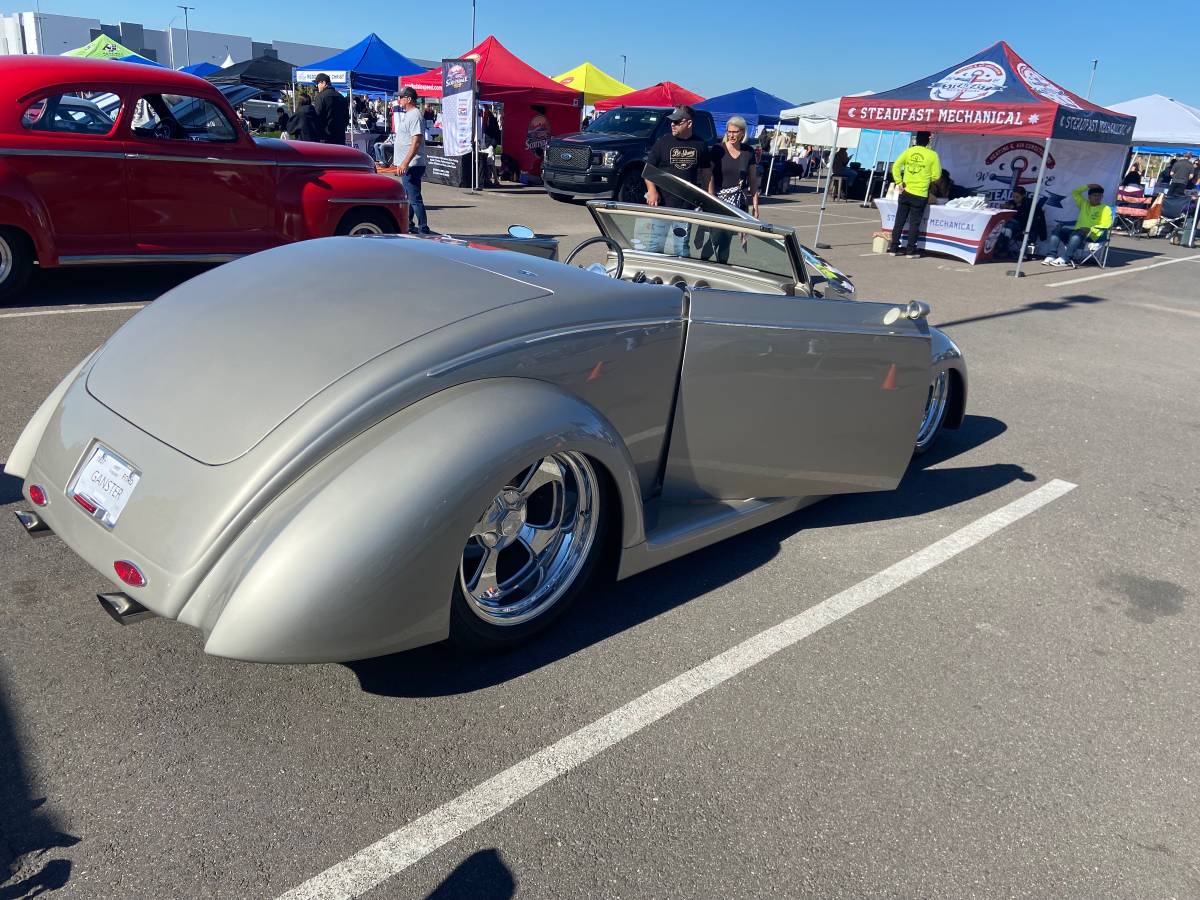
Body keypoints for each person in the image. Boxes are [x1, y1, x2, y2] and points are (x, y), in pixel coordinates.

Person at [640, 105, 713, 256]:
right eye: (672, 121)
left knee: (681, 246)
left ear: (689, 123)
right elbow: (648, 170)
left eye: (677, 121)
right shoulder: (663, 142)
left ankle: (681, 279)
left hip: (685, 207)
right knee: (654, 245)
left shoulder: (700, 144)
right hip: (662, 206)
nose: (672, 124)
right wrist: (652, 191)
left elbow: (707, 173)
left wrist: (707, 198)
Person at [887, 131, 942, 258]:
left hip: (905, 191)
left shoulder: (908, 152)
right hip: (920, 193)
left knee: (899, 220)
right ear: (928, 141)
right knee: (914, 223)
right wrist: (926, 178)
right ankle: (910, 251)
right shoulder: (932, 155)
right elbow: (937, 175)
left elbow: (895, 166)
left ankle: (893, 248)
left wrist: (899, 182)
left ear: (916, 140)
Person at [1043, 184, 1113, 266]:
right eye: (1095, 195)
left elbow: (1107, 224)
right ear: (1089, 197)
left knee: (1077, 234)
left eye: (1100, 196)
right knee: (1058, 230)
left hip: (1092, 235)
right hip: (1078, 232)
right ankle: (1051, 256)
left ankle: (1065, 258)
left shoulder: (1106, 208)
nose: (1097, 197)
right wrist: (1088, 186)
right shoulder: (1084, 204)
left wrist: (1091, 229)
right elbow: (1075, 193)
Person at [394, 86, 430, 234]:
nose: (399, 100)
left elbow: (416, 140)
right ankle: (408, 224)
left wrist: (405, 162)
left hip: (412, 164)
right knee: (410, 196)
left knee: (414, 198)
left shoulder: (414, 115)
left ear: (408, 99)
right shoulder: (409, 114)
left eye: (401, 97)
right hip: (409, 163)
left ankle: (423, 229)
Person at [708, 115, 760, 217]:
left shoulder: (748, 152)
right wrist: (711, 199)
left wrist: (755, 207)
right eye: (729, 131)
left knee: (739, 232)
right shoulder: (718, 149)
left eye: (735, 132)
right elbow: (709, 176)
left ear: (742, 132)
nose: (731, 135)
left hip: (740, 204)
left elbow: (753, 180)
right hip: (719, 202)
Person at [995, 186, 1046, 258]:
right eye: (1013, 196)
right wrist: (1005, 207)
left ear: (1023, 196)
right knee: (1002, 227)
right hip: (1011, 226)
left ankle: (1003, 250)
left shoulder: (1030, 204)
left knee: (1008, 227)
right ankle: (998, 248)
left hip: (1024, 227)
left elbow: (1034, 219)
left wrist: (1016, 209)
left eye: (1017, 197)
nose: (1015, 199)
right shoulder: (1012, 203)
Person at [312, 73, 349, 145]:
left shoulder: (320, 97)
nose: (316, 86)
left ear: (324, 83)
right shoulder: (341, 97)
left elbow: (317, 117)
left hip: (325, 138)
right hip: (340, 137)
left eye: (317, 83)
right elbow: (346, 119)